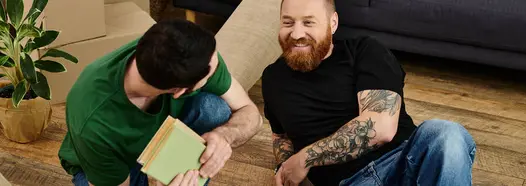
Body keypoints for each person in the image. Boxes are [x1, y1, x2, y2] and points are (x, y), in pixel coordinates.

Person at [261, 0, 477, 185]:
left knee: (446, 134)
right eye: (288, 22)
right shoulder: (272, 77)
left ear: (332, 23)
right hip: (350, 181)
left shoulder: (365, 51)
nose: (297, 33)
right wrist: (284, 168)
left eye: (308, 22)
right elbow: (281, 136)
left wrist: (304, 159)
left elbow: (381, 127)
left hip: (404, 163)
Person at [58, 19, 263, 186]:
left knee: (214, 109)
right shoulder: (95, 123)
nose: (216, 67)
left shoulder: (192, 55)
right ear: (179, 91)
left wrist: (225, 136)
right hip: (109, 165)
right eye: (209, 75)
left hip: (162, 136)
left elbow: (250, 113)